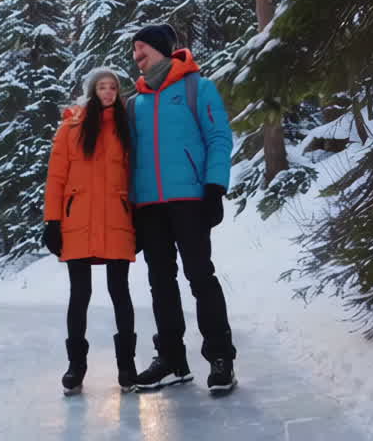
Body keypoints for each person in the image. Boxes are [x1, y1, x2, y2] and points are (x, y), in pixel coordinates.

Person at [126, 23, 238, 396]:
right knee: (160, 282)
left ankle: (221, 358)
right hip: (150, 207)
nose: (136, 56)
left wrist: (214, 187)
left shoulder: (196, 88)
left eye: (141, 49)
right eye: (134, 51)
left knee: (200, 276)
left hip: (190, 199)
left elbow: (219, 137)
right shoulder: (135, 102)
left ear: (160, 49)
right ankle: (172, 359)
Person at [42, 67, 138, 395]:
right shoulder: (71, 127)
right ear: (92, 90)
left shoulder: (128, 126)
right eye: (102, 86)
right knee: (79, 295)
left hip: (117, 221)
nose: (108, 92)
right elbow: (56, 178)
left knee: (120, 293)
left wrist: (138, 219)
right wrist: (52, 222)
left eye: (113, 87)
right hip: (77, 223)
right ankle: (76, 367)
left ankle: (127, 366)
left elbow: (135, 177)